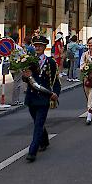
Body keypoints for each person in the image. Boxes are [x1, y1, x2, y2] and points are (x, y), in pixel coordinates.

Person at [23, 35, 60, 163]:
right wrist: (25, 75)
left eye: (40, 46)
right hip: (31, 97)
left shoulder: (50, 62)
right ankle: (44, 140)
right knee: (37, 122)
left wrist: (55, 93)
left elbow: (55, 80)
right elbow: (26, 79)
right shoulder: (29, 61)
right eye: (36, 45)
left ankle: (32, 151)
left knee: (38, 124)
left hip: (44, 98)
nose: (37, 47)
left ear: (45, 47)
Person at [9, 33, 25, 106]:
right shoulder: (18, 48)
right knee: (17, 84)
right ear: (17, 39)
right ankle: (15, 100)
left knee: (16, 82)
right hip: (18, 67)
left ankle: (15, 100)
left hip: (11, 66)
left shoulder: (9, 47)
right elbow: (24, 56)